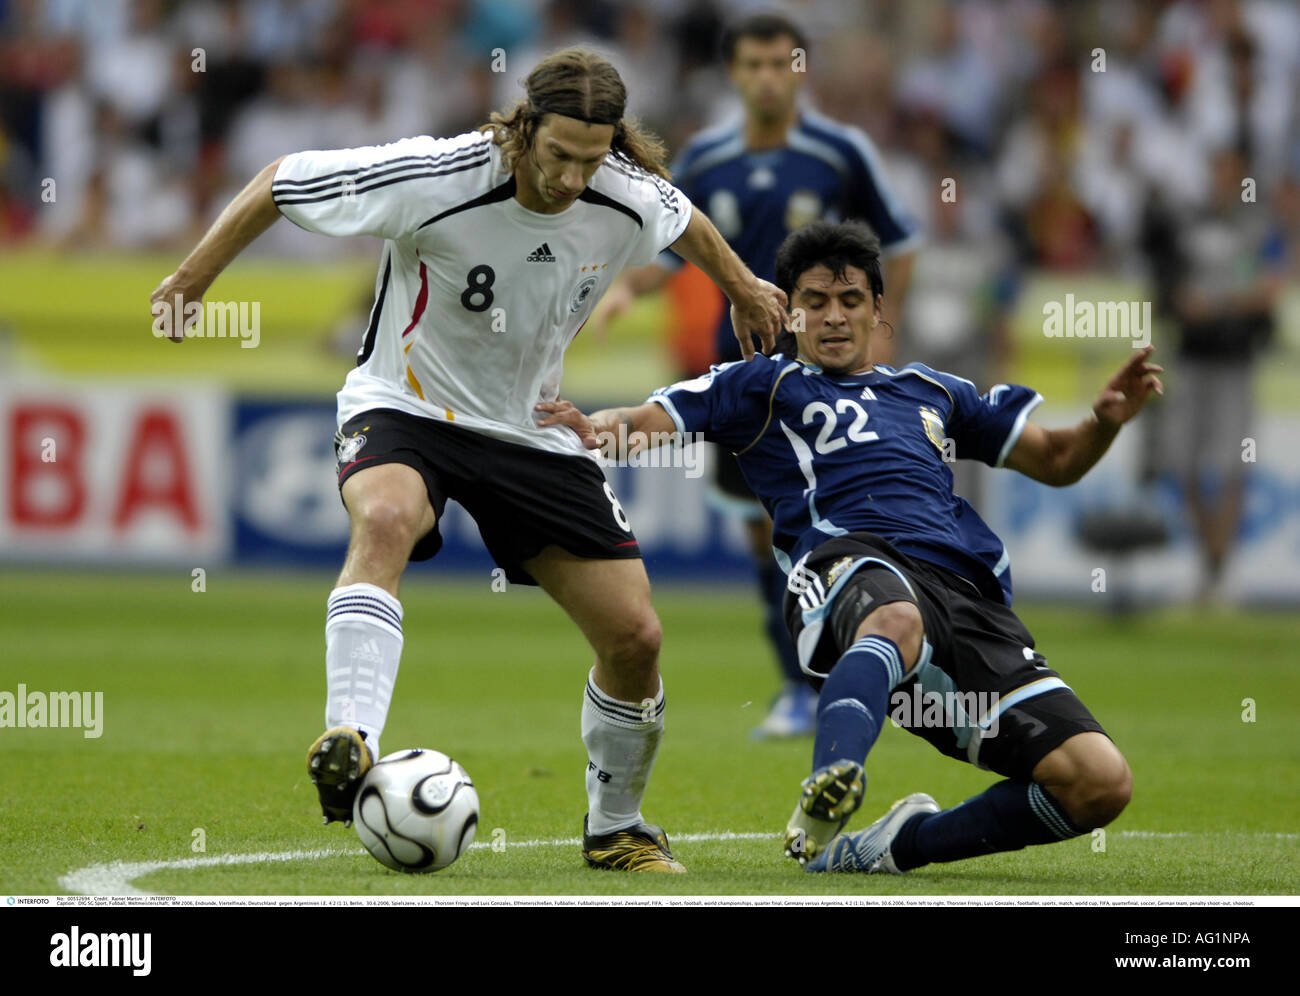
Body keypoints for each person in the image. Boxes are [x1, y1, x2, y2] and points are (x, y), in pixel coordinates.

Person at [149, 49, 786, 874]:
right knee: (383, 518)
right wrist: (191, 280)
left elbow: (686, 219)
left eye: (591, 160)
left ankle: (616, 826)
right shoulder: (438, 173)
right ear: (524, 128)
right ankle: (351, 736)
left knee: (635, 637)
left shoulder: (623, 190)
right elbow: (281, 179)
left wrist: (740, 285)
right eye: (556, 154)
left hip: (529, 430)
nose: (569, 177)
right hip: (404, 403)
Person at [538, 221, 1160, 874]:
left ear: (878, 311)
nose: (834, 317)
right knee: (895, 617)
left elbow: (1058, 459)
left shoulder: (935, 392)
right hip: (844, 568)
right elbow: (643, 421)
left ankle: (896, 846)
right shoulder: (761, 387)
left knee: (1098, 782)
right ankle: (829, 785)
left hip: (966, 600)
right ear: (789, 311)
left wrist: (1102, 423)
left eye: (851, 300)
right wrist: (599, 426)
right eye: (814, 301)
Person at [593, 13, 921, 738]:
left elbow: (899, 242)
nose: (769, 77)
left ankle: (866, 665)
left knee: (825, 528)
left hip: (828, 376)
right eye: (755, 65)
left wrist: (877, 333)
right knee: (763, 535)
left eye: (782, 63)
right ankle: (801, 685)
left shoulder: (840, 152)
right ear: (735, 74)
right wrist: (626, 289)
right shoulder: (707, 156)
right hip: (744, 375)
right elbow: (683, 244)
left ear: (799, 70)